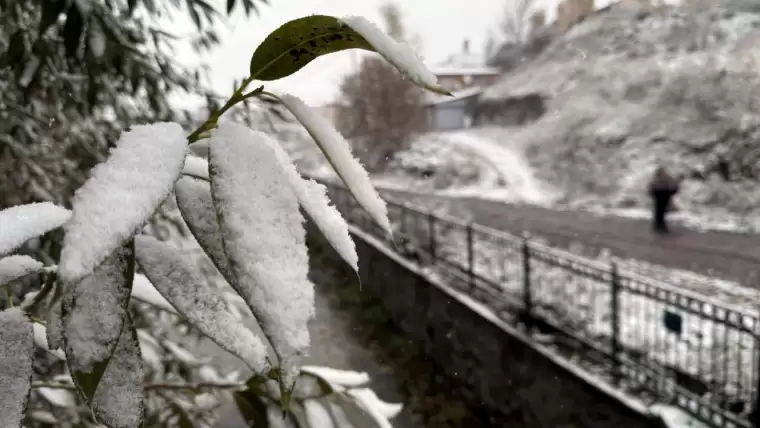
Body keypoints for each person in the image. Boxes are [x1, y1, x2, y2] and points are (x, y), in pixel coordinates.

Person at [648, 166, 680, 234]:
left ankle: (659, 224)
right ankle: (660, 225)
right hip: (663, 193)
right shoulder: (666, 177)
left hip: (661, 193)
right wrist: (673, 191)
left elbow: (652, 186)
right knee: (661, 210)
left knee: (659, 210)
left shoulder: (657, 178)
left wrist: (651, 193)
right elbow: (674, 184)